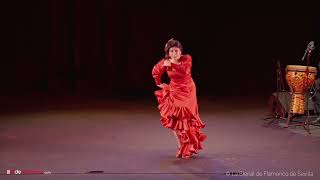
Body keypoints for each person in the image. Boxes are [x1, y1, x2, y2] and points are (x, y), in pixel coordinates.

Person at [152, 38, 206, 159]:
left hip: (188, 91)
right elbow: (156, 70)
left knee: (186, 118)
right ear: (168, 52)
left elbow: (184, 71)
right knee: (174, 118)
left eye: (176, 51)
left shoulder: (187, 58)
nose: (174, 53)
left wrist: (172, 64)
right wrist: (158, 82)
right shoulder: (165, 61)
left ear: (180, 51)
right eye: (171, 51)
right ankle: (181, 145)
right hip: (174, 90)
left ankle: (189, 144)